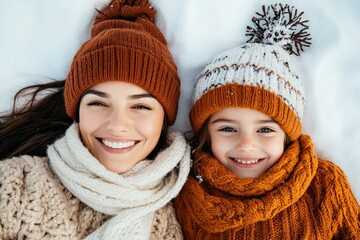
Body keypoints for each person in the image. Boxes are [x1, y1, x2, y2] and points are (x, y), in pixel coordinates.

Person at [0, 0, 191, 239]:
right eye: (98, 103)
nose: (117, 124)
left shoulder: (186, 215)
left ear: (164, 118)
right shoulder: (18, 184)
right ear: (77, 110)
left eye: (140, 106)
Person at [174, 4, 359, 239]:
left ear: (287, 135)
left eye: (264, 129)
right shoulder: (186, 190)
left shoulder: (323, 187)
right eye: (228, 128)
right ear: (206, 134)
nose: (246, 144)